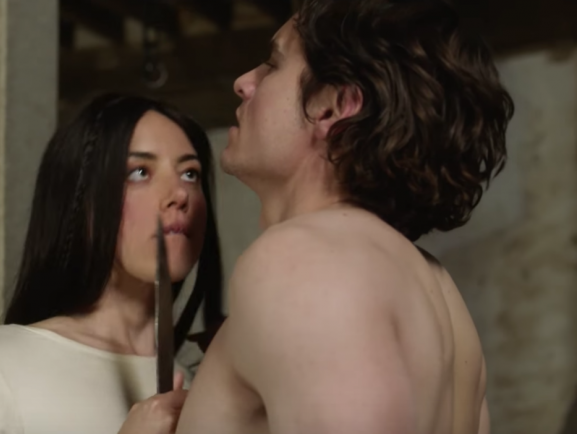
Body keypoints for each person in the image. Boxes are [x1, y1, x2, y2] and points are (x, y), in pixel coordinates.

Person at [176, 1, 514, 433]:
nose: (244, 82)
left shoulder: (303, 260)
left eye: (273, 64)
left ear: (333, 107)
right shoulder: (440, 293)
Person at [0, 93, 225, 434]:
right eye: (140, 172)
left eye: (190, 174)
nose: (180, 194)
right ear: (81, 203)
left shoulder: (206, 391)